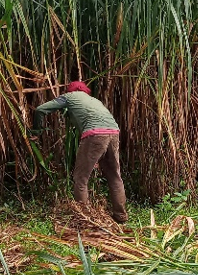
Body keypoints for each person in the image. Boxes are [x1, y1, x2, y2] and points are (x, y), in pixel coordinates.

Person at [31, 81, 127, 223]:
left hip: (94, 134)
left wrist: (36, 131)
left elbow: (40, 109)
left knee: (80, 178)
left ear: (70, 90)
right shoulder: (94, 100)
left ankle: (85, 220)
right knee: (114, 177)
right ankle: (121, 217)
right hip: (113, 132)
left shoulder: (68, 97)